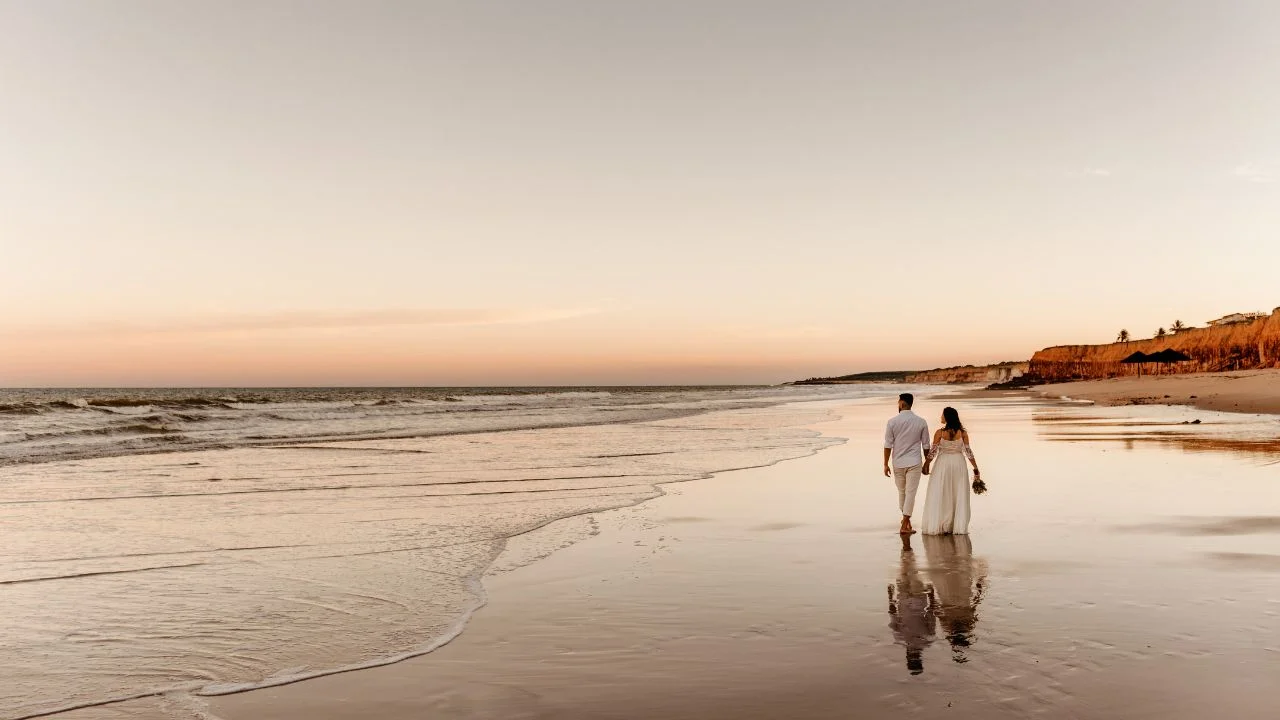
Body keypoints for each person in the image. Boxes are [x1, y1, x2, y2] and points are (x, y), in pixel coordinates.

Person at [920, 407, 981, 535]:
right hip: (959, 464)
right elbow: (968, 452)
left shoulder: (939, 433)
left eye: (942, 415)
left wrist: (926, 464)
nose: (940, 417)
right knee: (957, 492)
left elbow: (933, 452)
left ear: (947, 417)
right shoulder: (962, 433)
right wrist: (975, 468)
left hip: (943, 465)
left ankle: (942, 524)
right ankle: (955, 525)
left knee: (941, 491)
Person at [882, 393, 932, 535]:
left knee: (902, 492)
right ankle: (906, 522)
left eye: (898, 402)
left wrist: (885, 464)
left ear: (902, 403)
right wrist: (927, 463)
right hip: (914, 462)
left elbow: (888, 445)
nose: (898, 405)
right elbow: (926, 445)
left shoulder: (892, 422)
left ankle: (904, 522)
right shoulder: (921, 422)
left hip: (897, 462)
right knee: (910, 493)